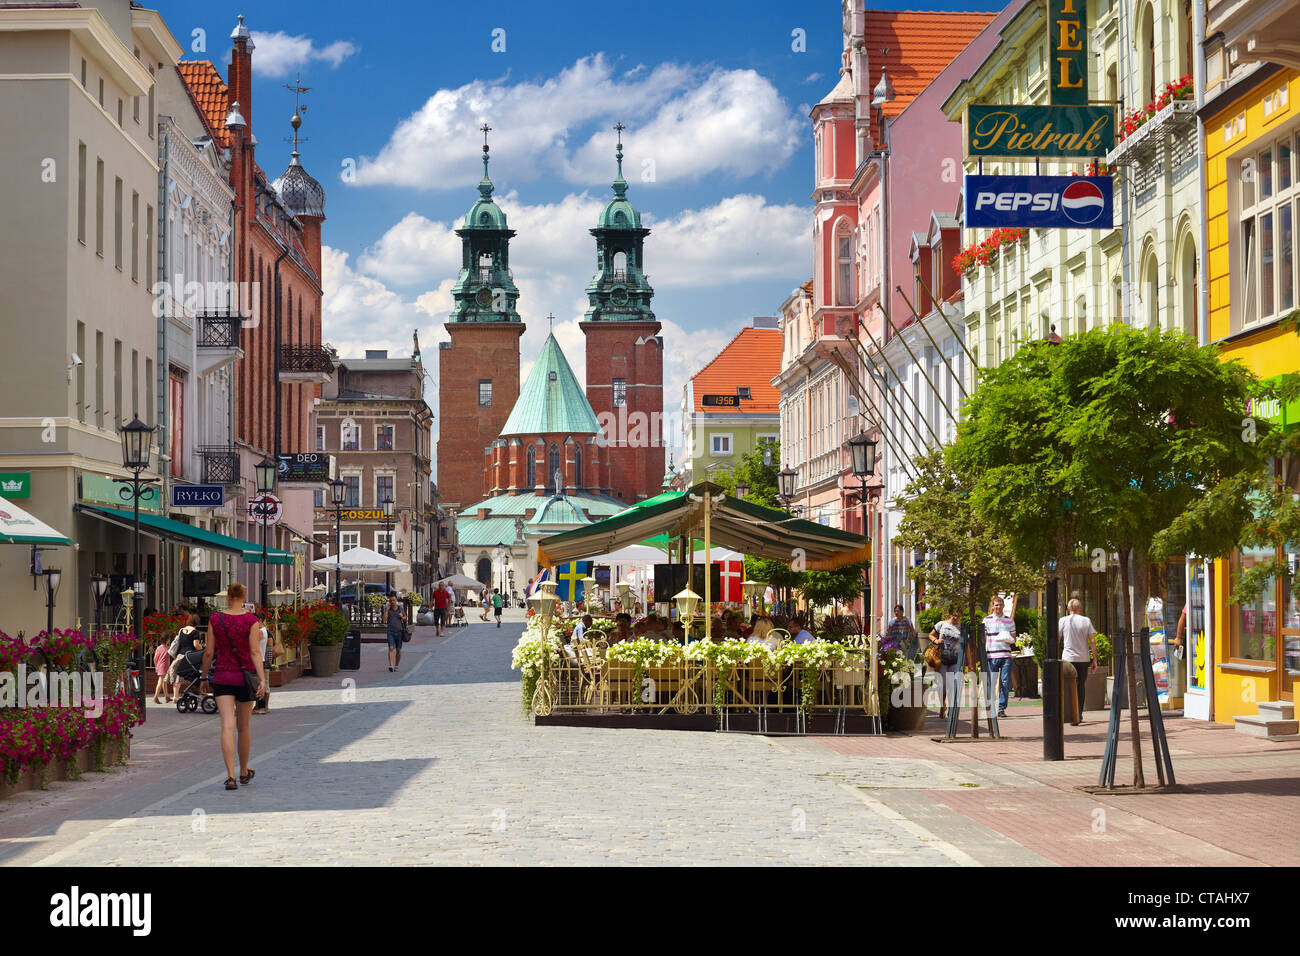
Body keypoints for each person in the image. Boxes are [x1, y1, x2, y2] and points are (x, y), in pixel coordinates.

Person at [201, 582, 265, 791]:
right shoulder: (251, 620)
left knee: (227, 726)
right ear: (243, 597)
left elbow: (209, 652)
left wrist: (203, 677)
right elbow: (256, 652)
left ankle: (230, 776)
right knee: (244, 727)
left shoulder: (215, 619)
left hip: (222, 677)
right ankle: (244, 770)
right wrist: (262, 679)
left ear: (228, 597)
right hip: (244, 677)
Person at [1059, 598, 1097, 725]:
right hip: (1083, 658)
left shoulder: (1063, 621)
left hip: (1068, 659)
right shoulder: (1086, 621)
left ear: (1068, 609)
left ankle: (1068, 713)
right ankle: (1078, 713)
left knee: (1067, 686)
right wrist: (1095, 660)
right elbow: (1092, 641)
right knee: (1080, 686)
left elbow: (1057, 639)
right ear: (1080, 608)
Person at [983, 595, 1017, 718]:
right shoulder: (986, 620)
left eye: (1000, 605)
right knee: (991, 682)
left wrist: (1006, 637)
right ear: (992, 606)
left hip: (1005, 655)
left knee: (1005, 682)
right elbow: (984, 637)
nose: (998, 607)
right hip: (991, 655)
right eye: (996, 605)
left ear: (1003, 606)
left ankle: (1001, 708)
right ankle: (991, 707)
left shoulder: (1009, 620)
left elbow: (1014, 638)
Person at [927, 609, 962, 720]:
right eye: (954, 614)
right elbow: (931, 635)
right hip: (941, 660)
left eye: (958, 615)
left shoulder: (962, 628)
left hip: (955, 660)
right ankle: (943, 706)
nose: (955, 617)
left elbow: (966, 645)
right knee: (942, 686)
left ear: (961, 615)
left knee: (951, 685)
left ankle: (951, 709)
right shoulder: (941, 624)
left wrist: (969, 663)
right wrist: (936, 641)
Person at [165, 614, 204, 690]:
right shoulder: (195, 632)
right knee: (193, 675)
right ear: (197, 622)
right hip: (190, 656)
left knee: (177, 676)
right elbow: (196, 645)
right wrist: (202, 649)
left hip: (179, 655)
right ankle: (194, 691)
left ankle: (175, 696)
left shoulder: (181, 630)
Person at [251, 611, 272, 715]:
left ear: (259, 620)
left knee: (259, 684)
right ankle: (259, 706)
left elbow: (252, 642)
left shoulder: (261, 631)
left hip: (259, 661)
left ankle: (262, 707)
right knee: (258, 684)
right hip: (259, 660)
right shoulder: (263, 630)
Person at [386, 594, 406, 672]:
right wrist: (387, 610)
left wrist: (402, 616)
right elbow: (384, 619)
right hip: (390, 631)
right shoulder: (388, 609)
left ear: (396, 600)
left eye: (393, 600)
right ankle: (391, 665)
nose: (392, 602)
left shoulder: (400, 608)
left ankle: (396, 665)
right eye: (390, 601)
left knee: (398, 650)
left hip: (399, 632)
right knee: (391, 648)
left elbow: (405, 618)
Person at [152, 637, 173, 704]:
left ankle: (167, 697)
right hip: (165, 666)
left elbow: (155, 658)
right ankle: (156, 697)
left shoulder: (158, 648)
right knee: (161, 681)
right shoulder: (168, 648)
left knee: (164, 682)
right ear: (167, 640)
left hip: (159, 666)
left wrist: (156, 666)